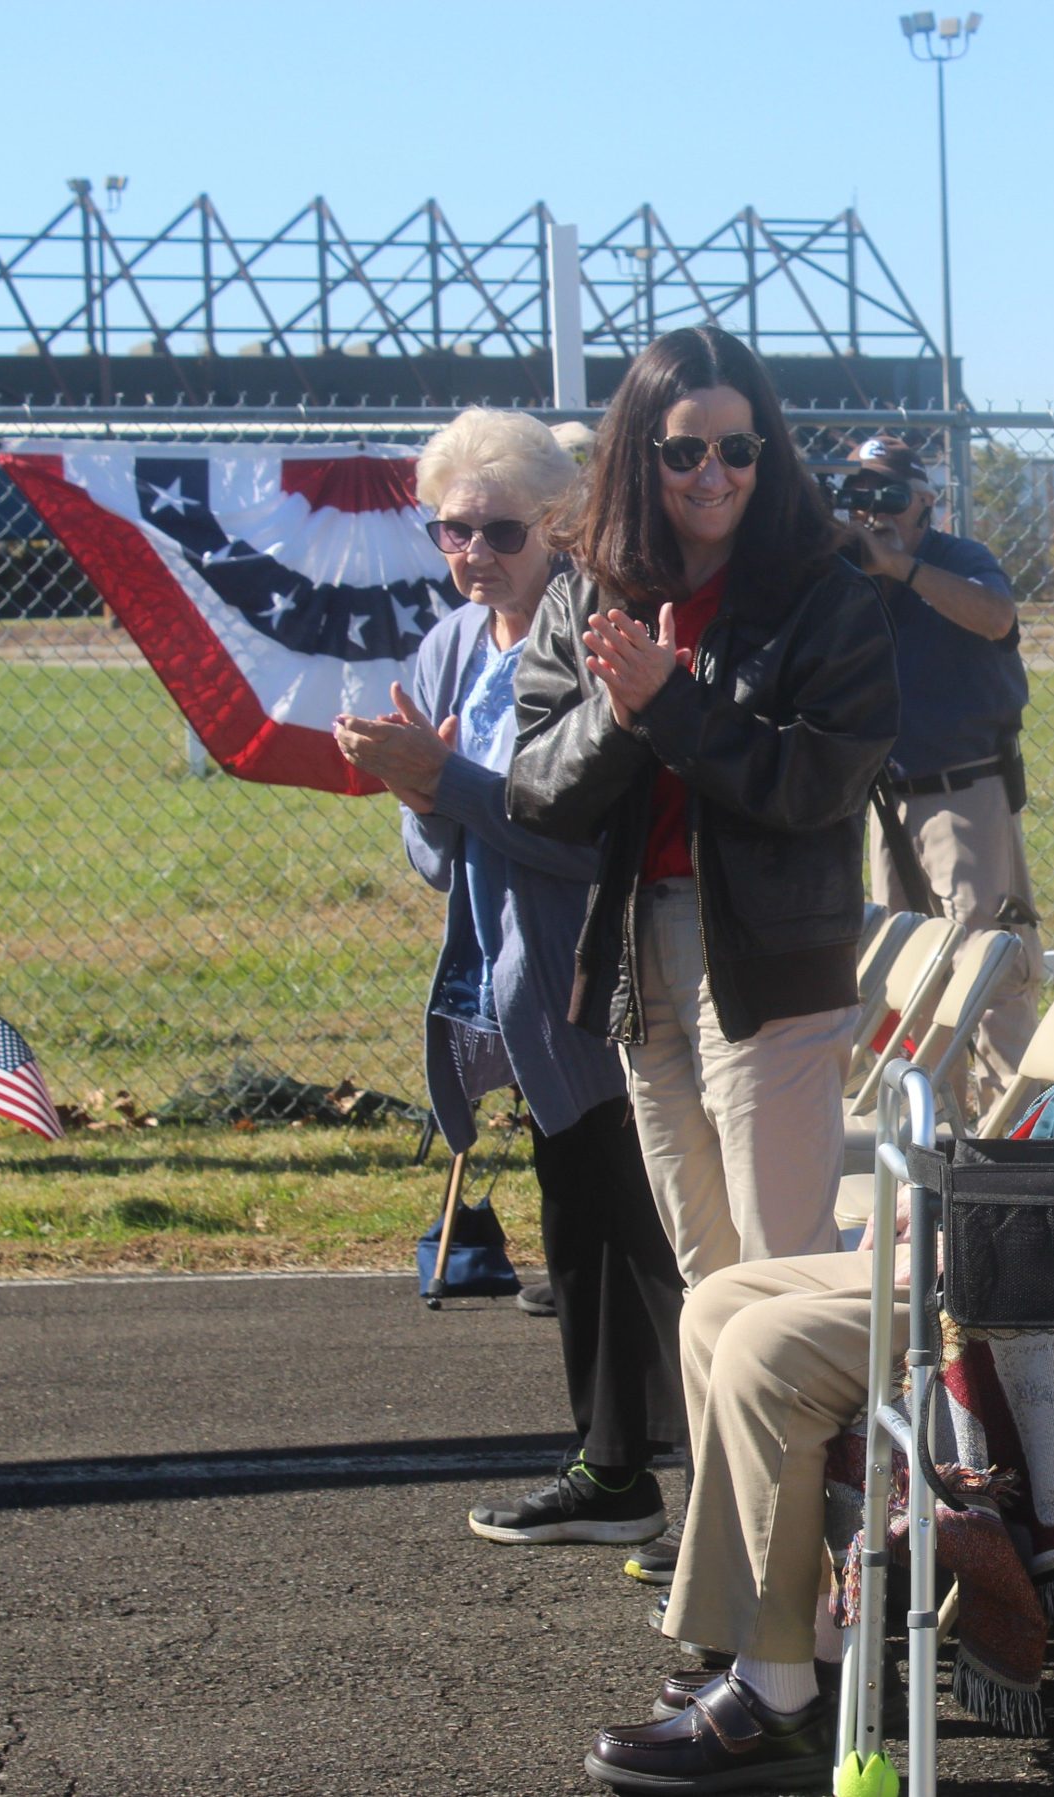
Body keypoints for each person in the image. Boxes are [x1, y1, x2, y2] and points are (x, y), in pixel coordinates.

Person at [581, 732, 1054, 1795]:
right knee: (722, 1301)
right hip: (1038, 1247)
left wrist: (970, 1229)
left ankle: (776, 1707)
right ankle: (795, 1643)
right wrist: (951, 1206)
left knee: (767, 1349)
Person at [335, 408, 686, 1547]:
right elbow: (436, 851)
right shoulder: (450, 645)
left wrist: (449, 786)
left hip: (602, 969)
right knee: (576, 1223)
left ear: (558, 528)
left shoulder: (596, 634)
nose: (472, 556)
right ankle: (615, 1469)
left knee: (645, 1232)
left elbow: (582, 833)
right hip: (511, 981)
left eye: (499, 533)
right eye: (449, 531)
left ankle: (686, 1487)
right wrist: (420, 794)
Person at [508, 324, 900, 1286]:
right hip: (641, 953)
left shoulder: (825, 594)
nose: (713, 474)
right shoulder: (589, 594)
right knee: (706, 1272)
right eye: (686, 450)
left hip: (771, 963)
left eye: (738, 448)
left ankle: (819, 1445)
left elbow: (818, 783)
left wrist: (674, 707)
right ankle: (723, 1447)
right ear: (643, 455)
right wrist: (623, 709)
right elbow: (534, 789)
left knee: (784, 1271)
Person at [840, 435, 1043, 1103]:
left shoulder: (958, 559)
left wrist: (903, 568)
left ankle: (1010, 1123)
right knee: (904, 969)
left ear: (927, 503)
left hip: (964, 790)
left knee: (988, 962)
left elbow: (997, 617)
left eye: (892, 497)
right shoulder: (848, 574)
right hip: (886, 796)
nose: (877, 512)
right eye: (860, 496)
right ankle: (932, 1123)